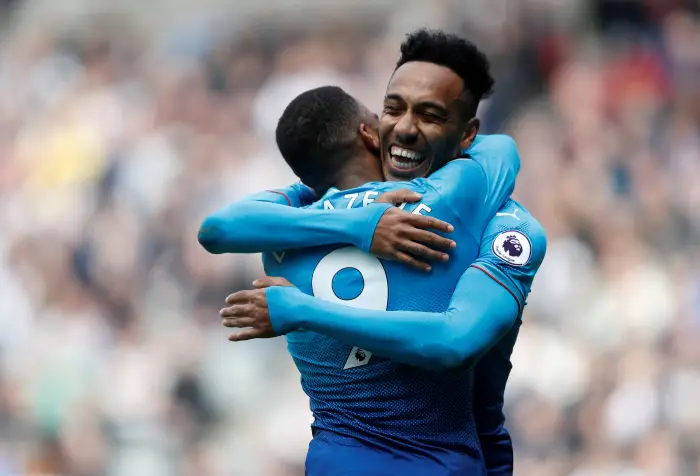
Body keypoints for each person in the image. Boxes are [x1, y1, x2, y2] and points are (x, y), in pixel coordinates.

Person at [202, 30, 545, 475]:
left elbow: (217, 229)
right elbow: (502, 149)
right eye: (391, 109)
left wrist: (341, 232)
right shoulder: (470, 205)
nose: (402, 127)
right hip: (442, 462)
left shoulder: (281, 232)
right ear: (369, 130)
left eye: (427, 113)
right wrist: (362, 224)